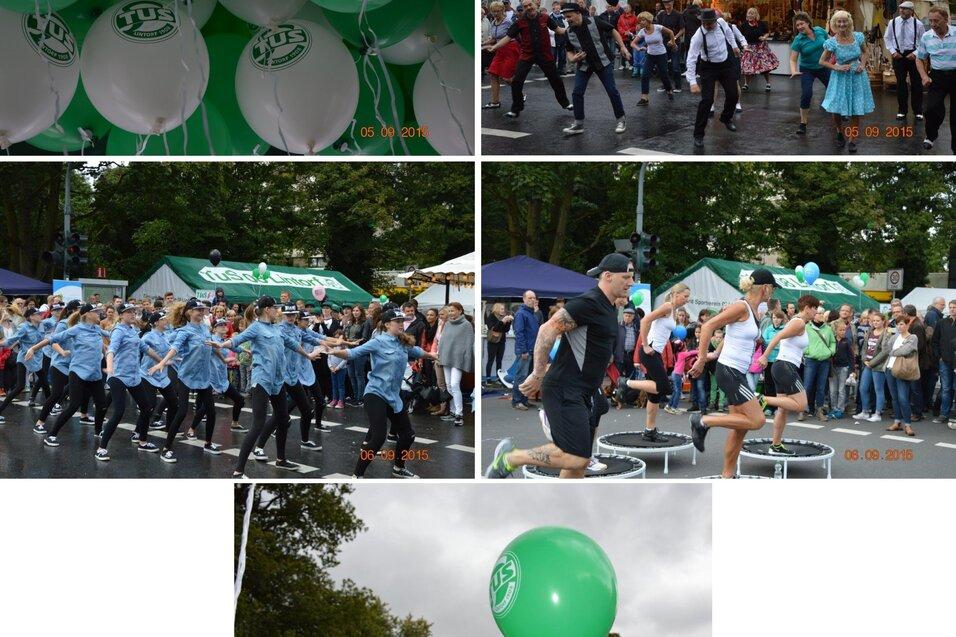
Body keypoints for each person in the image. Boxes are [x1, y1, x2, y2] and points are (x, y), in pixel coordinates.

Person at [485, 253, 633, 479]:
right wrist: (537, 373)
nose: (631, 282)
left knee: (578, 465)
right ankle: (509, 458)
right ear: (608, 276)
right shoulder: (589, 302)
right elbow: (547, 330)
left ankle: (564, 504)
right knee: (575, 457)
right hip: (566, 387)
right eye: (626, 277)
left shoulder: (608, 307)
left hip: (587, 391)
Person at [686, 269, 780, 478]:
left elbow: (731, 335)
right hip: (729, 372)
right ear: (765, 287)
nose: (772, 293)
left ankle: (727, 474)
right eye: (772, 288)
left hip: (736, 371)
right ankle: (703, 421)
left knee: (739, 428)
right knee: (757, 421)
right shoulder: (741, 307)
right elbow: (709, 325)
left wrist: (716, 353)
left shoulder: (756, 310)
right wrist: (702, 358)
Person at [216, 297, 324, 477]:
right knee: (258, 424)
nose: (278, 311)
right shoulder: (256, 327)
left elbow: (294, 344)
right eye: (275, 307)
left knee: (283, 419)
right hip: (262, 380)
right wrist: (221, 344)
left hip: (277, 380)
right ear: (267, 309)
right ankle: (238, 471)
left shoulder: (277, 329)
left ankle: (281, 460)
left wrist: (308, 356)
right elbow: (237, 340)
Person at [327, 308, 438, 479]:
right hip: (375, 393)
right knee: (378, 437)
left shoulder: (403, 343)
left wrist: (432, 355)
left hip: (394, 396)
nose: (402, 324)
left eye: (403, 321)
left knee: (408, 436)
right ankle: (357, 475)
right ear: (387, 324)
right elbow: (353, 353)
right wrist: (334, 351)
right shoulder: (377, 342)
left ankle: (399, 468)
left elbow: (418, 352)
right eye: (398, 321)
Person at [26, 304, 111, 445]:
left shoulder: (97, 329)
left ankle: (97, 431)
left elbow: (113, 335)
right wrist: (33, 348)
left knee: (102, 405)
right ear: (87, 315)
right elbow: (52, 339)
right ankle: (52, 435)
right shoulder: (76, 329)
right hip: (77, 371)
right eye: (96, 312)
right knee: (73, 405)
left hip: (94, 374)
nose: (99, 314)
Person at [618, 284, 693, 442]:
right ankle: (626, 382)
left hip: (655, 353)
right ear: (675, 294)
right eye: (685, 296)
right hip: (649, 351)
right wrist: (644, 345)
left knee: (655, 396)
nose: (687, 299)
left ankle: (649, 430)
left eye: (688, 297)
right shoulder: (667, 306)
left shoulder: (671, 310)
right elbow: (645, 321)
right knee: (664, 387)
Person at [482, 0, 573, 119]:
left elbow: (559, 30)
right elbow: (508, 37)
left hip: (544, 56)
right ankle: (516, 109)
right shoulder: (520, 22)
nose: (528, 7)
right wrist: (494, 47)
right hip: (527, 55)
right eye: (525, 6)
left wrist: (573, 29)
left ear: (535, 5)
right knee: (516, 81)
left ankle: (565, 103)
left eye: (530, 5)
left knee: (556, 80)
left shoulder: (545, 18)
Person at [756, 295, 820, 456]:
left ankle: (776, 445)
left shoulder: (800, 322)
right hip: (785, 366)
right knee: (800, 405)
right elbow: (777, 336)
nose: (817, 312)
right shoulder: (798, 323)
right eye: (815, 309)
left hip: (782, 366)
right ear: (807, 308)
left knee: (783, 409)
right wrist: (764, 356)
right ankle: (762, 399)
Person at [560, 2, 631, 136]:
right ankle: (578, 123)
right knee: (577, 92)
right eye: (566, 17)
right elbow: (569, 51)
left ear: (578, 13)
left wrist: (622, 46)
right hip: (585, 64)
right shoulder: (569, 32)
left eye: (569, 16)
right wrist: (572, 59)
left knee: (612, 91)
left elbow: (613, 30)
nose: (567, 19)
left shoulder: (595, 21)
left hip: (603, 61)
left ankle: (621, 119)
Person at [685, 8, 742, 148]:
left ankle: (726, 118)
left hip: (725, 64)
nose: (707, 26)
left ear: (715, 21)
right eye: (704, 23)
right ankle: (698, 134)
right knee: (707, 101)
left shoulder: (722, 23)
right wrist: (692, 81)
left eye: (710, 23)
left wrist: (734, 47)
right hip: (708, 68)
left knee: (733, 95)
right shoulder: (698, 36)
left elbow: (729, 34)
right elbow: (691, 59)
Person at [819, 11, 875, 153]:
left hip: (857, 76)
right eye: (839, 22)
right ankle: (839, 132)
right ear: (834, 24)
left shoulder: (858, 36)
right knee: (836, 108)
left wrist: (862, 65)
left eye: (844, 21)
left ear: (849, 22)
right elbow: (821, 61)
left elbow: (865, 52)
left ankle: (852, 139)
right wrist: (836, 67)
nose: (842, 24)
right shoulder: (831, 42)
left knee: (856, 109)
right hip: (839, 77)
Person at [916, 6, 955, 152]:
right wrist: (924, 76)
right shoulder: (926, 37)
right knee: (931, 109)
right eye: (931, 21)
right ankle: (931, 135)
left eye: (936, 21)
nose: (933, 24)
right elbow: (919, 59)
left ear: (946, 20)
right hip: (937, 77)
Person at [0, 308, 46, 422]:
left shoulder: (41, 325)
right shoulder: (24, 327)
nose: (40, 315)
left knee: (44, 380)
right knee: (20, 386)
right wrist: (2, 344)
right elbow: (13, 339)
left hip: (37, 359)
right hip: (25, 359)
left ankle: (51, 405)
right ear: (31, 317)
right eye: (37, 314)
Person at [885, 1, 926, 121]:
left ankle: (918, 111)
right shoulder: (893, 22)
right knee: (901, 83)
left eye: (905, 9)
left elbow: (923, 41)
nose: (902, 10)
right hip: (898, 54)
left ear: (911, 11)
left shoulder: (918, 24)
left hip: (913, 55)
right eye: (901, 8)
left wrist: (915, 53)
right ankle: (902, 111)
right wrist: (893, 52)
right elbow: (887, 38)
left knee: (916, 83)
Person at [438, 302, 474, 427]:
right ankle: (453, 411)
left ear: (460, 311)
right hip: (446, 357)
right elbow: (443, 341)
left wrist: (468, 359)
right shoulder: (447, 324)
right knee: (449, 385)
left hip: (458, 359)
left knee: (454, 384)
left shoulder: (466, 325)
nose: (450, 313)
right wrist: (439, 355)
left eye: (452, 311)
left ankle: (459, 413)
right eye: (449, 311)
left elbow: (469, 343)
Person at [853, 311, 893, 422]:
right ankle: (865, 411)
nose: (875, 322)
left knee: (878, 389)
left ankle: (877, 414)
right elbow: (864, 347)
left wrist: (872, 363)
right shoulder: (870, 331)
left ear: (883, 321)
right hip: (867, 364)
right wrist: (864, 359)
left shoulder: (887, 333)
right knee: (863, 388)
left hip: (878, 366)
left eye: (877, 321)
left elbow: (885, 351)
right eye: (873, 321)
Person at [884, 314, 920, 436]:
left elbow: (906, 350)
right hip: (890, 369)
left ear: (907, 324)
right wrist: (887, 334)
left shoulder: (912, 337)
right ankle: (897, 422)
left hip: (903, 370)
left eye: (901, 324)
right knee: (894, 398)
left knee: (903, 398)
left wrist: (893, 352)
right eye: (897, 324)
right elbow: (885, 349)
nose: (899, 327)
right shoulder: (894, 337)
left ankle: (908, 425)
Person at [633, 11, 678, 105]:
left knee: (663, 75)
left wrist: (673, 43)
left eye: (643, 20)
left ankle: (669, 90)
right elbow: (633, 43)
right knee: (645, 75)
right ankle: (644, 98)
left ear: (649, 20)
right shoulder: (642, 31)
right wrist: (638, 48)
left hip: (661, 55)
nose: (640, 22)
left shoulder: (658, 27)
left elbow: (671, 32)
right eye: (640, 20)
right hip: (650, 56)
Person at [801, 306, 835, 420]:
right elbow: (802, 342)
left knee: (821, 387)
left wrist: (830, 352)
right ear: (813, 315)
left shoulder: (828, 328)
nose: (820, 315)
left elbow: (833, 342)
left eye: (822, 313)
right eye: (818, 313)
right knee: (807, 386)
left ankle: (819, 410)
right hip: (811, 360)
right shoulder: (806, 327)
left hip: (824, 361)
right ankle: (803, 410)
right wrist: (807, 352)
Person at [483, 1, 518, 110]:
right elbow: (494, 38)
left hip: (511, 49)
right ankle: (495, 102)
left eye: (498, 11)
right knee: (493, 74)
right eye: (494, 11)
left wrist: (494, 46)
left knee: (507, 77)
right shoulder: (493, 22)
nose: (496, 13)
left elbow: (509, 37)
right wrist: (482, 43)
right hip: (499, 50)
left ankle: (520, 93)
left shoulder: (508, 22)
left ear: (503, 11)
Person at [510, 290, 539, 411]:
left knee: (527, 377)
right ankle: (517, 401)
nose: (532, 300)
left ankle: (524, 400)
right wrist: (523, 351)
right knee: (521, 376)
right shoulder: (521, 314)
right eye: (530, 298)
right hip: (525, 350)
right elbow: (519, 333)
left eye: (534, 298)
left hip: (532, 349)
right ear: (524, 299)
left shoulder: (532, 313)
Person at [739, 8, 778, 92]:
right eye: (749, 13)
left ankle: (768, 83)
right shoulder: (744, 25)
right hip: (749, 47)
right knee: (747, 66)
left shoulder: (761, 24)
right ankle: (746, 84)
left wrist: (764, 37)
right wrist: (743, 46)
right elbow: (741, 36)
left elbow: (767, 32)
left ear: (756, 15)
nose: (750, 15)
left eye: (752, 13)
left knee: (765, 66)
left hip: (760, 47)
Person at [932, 299, 956, 426]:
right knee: (946, 388)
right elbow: (935, 341)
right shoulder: (942, 323)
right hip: (945, 361)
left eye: (954, 307)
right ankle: (944, 414)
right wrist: (939, 356)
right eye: (950, 307)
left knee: (954, 387)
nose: (952, 309)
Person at [655, 0, 686, 90]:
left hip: (675, 43)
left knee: (675, 66)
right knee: (663, 66)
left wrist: (674, 39)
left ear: (672, 3)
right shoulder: (661, 15)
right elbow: (658, 29)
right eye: (664, 3)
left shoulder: (678, 14)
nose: (666, 4)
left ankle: (678, 86)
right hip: (663, 42)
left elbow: (682, 29)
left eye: (668, 2)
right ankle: (665, 85)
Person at [485, 302, 512, 381]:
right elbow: (494, 328)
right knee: (491, 360)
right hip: (493, 341)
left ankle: (498, 377)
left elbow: (506, 330)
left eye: (504, 309)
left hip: (502, 341)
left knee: (499, 360)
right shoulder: (491, 316)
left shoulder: (504, 317)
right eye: (502, 309)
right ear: (497, 309)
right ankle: (488, 378)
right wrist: (502, 321)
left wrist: (509, 322)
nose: (503, 311)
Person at [615, 306, 639, 379]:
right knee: (618, 376)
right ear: (623, 316)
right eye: (626, 316)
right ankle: (617, 389)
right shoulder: (618, 326)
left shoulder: (635, 328)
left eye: (630, 316)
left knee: (630, 376)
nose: (628, 318)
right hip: (620, 354)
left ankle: (628, 390)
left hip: (631, 355)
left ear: (633, 317)